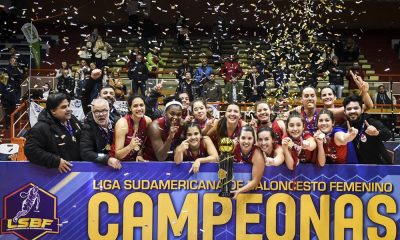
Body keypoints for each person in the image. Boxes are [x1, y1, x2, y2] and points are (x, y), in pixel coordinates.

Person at [24, 93, 82, 172]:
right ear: (53, 111)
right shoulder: (40, 128)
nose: (68, 109)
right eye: (63, 107)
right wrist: (55, 161)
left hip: (78, 171)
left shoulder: (73, 119)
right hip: (54, 176)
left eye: (68, 105)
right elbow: (31, 151)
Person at [343, 95, 392, 164]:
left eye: (356, 108)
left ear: (362, 110)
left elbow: (388, 135)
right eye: (349, 109)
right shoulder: (344, 127)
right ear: (345, 111)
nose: (352, 111)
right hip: (357, 168)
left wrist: (377, 133)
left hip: (379, 166)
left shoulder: (371, 122)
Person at [80, 98, 121, 169]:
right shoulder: (87, 127)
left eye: (104, 110)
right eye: (96, 111)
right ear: (92, 112)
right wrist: (106, 159)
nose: (101, 114)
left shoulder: (118, 122)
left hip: (118, 164)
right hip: (98, 167)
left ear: (109, 110)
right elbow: (86, 153)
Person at [112, 95, 152, 161]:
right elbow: (117, 155)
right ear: (130, 108)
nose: (139, 108)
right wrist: (130, 147)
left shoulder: (148, 121)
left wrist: (139, 154)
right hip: (118, 162)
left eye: (141, 105)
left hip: (134, 161)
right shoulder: (122, 124)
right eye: (135, 106)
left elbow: (145, 142)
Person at [231, 125, 265, 198]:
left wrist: (239, 191)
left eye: (249, 138)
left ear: (253, 140)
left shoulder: (257, 154)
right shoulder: (233, 147)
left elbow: (255, 181)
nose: (246, 141)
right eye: (243, 138)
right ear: (238, 139)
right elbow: (220, 161)